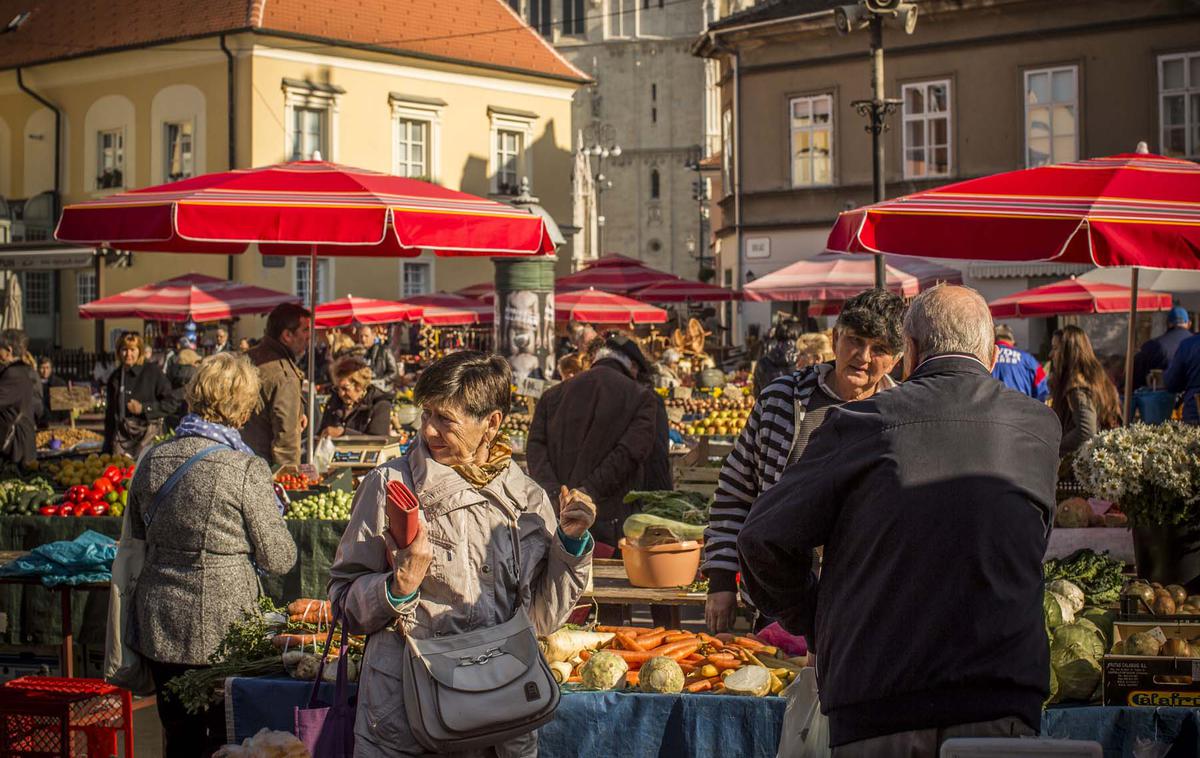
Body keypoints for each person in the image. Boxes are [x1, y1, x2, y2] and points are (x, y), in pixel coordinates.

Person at [738, 285, 1060, 755]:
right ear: (992, 355)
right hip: (999, 698)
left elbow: (761, 538)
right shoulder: (1038, 428)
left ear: (908, 351)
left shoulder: (859, 423)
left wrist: (816, 616)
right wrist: (819, 617)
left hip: (877, 698)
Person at [329, 351, 594, 757]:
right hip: (408, 717)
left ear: (491, 423)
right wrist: (396, 587)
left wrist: (570, 546)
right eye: (427, 414)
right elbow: (343, 600)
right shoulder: (390, 486)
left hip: (500, 717)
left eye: (446, 419)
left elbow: (543, 617)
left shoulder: (527, 498)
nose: (430, 431)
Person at [703, 289, 905, 634]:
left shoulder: (902, 416)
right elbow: (736, 492)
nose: (863, 356)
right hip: (778, 599)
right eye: (855, 340)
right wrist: (720, 580)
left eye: (880, 349)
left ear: (896, 358)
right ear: (835, 337)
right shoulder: (782, 399)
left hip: (865, 603)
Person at [128, 353, 297, 758]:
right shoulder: (243, 468)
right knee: (223, 740)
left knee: (178, 737)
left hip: (158, 621)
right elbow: (279, 558)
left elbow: (139, 532)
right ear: (243, 407)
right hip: (221, 630)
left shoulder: (153, 457)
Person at [527, 335, 658, 548]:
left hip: (555, 515)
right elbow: (629, 454)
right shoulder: (641, 397)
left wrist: (554, 493)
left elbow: (535, 449)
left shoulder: (552, 395)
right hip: (610, 521)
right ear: (632, 366)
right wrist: (588, 492)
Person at [241, 303, 310, 466]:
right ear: (287, 335)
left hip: (236, 459)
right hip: (261, 466)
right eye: (305, 330)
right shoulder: (284, 376)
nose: (309, 336)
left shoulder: (246, 358)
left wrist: (297, 412)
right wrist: (287, 485)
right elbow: (286, 445)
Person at [1051, 324, 1122, 459]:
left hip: (1087, 462)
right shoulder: (1097, 378)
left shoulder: (1078, 386)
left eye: (1055, 348)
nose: (1051, 354)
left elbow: (1086, 431)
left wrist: (1055, 448)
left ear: (1068, 352)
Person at [104, 332, 176, 457]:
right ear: (119, 351)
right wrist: (106, 446)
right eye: (124, 349)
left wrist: (144, 408)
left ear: (140, 351)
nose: (128, 354)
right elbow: (110, 415)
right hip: (122, 443)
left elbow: (171, 403)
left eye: (132, 349)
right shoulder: (115, 378)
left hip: (149, 441)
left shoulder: (153, 372)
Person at [318, 356, 393, 438]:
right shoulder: (333, 402)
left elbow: (379, 440)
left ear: (359, 386)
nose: (341, 393)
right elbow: (322, 431)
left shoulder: (380, 404)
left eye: (345, 388)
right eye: (337, 388)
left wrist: (344, 433)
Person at [0, 330, 38, 466]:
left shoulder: (14, 374)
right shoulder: (23, 370)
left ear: (9, 351)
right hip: (21, 443)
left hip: (17, 446)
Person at [1134, 306, 1191, 390]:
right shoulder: (1195, 344)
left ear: (1167, 323)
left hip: (1159, 399)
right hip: (1191, 399)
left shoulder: (1153, 345)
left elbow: (1136, 376)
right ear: (1189, 324)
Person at [991, 324, 1049, 401]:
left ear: (994, 339)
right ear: (1012, 341)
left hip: (991, 411)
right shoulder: (1029, 360)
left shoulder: (987, 358)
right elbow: (1042, 392)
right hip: (1023, 410)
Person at [751, 321, 800, 397]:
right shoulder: (804, 361)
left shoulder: (763, 362)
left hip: (770, 407)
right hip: (798, 407)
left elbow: (757, 393)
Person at [165, 348, 202, 430]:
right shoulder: (196, 375)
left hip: (169, 416)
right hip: (189, 421)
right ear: (192, 362)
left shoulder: (170, 372)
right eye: (197, 362)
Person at [358, 324, 399, 389]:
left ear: (373, 336)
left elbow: (394, 373)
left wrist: (377, 381)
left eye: (366, 336)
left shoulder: (384, 350)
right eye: (361, 336)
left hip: (381, 391)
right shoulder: (357, 353)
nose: (363, 339)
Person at [36, 356, 69, 428]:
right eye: (42, 368)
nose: (45, 371)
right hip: (39, 421)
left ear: (51, 369)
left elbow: (65, 403)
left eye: (47, 368)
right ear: (38, 368)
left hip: (56, 421)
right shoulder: (34, 384)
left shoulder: (59, 383)